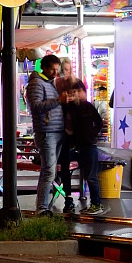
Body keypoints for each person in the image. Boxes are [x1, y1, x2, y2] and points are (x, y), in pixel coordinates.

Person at [25, 54, 64, 217]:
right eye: (53, 70)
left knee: (53, 171)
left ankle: (48, 202)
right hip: (46, 132)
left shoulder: (52, 83)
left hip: (58, 130)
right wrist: (58, 101)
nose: (56, 73)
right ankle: (41, 207)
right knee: (48, 170)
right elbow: (35, 106)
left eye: (57, 69)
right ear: (45, 68)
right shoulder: (36, 84)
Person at [64, 80, 107, 216]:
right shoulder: (71, 107)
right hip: (80, 146)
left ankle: (96, 203)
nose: (74, 95)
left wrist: (91, 135)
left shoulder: (88, 107)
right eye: (72, 93)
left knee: (91, 176)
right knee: (87, 174)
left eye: (76, 92)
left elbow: (99, 122)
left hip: (90, 146)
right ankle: (91, 203)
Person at [54, 56, 81, 214]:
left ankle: (77, 196)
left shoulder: (76, 83)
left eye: (69, 70)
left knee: (73, 162)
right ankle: (69, 197)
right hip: (61, 131)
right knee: (64, 164)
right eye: (65, 70)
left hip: (74, 132)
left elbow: (82, 104)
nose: (67, 73)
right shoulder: (57, 85)